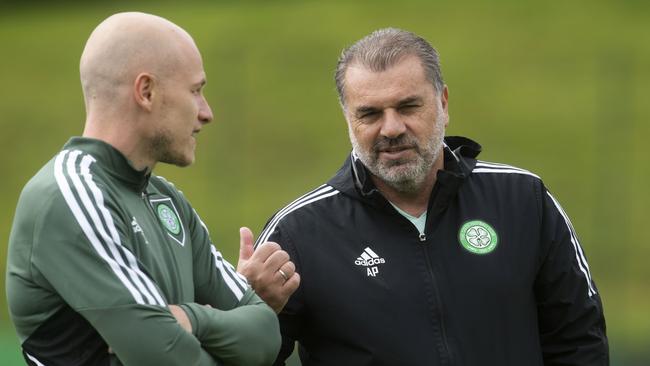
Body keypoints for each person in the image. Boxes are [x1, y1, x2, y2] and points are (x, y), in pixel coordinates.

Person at [249, 28, 609, 365]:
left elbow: (579, 340)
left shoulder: (524, 200)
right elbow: (250, 356)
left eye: (408, 107)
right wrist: (248, 311)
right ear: (348, 119)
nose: (391, 128)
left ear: (443, 103)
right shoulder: (297, 234)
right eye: (370, 113)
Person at [6, 12, 297, 366]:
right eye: (196, 90)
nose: (207, 113)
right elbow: (166, 357)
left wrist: (192, 319)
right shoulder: (69, 195)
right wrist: (211, 333)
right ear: (146, 91)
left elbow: (266, 334)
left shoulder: (167, 200)